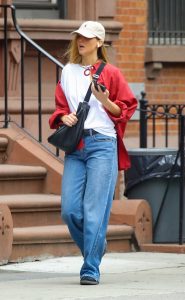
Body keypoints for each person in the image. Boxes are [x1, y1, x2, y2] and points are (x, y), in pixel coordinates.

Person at [49, 21, 137, 285]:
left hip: (102, 145)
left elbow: (126, 109)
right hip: (76, 147)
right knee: (70, 210)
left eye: (87, 38)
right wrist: (63, 117)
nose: (81, 41)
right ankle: (96, 246)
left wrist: (105, 101)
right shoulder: (68, 71)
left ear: (99, 42)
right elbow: (60, 106)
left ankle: (90, 267)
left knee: (94, 209)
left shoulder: (111, 73)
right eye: (78, 37)